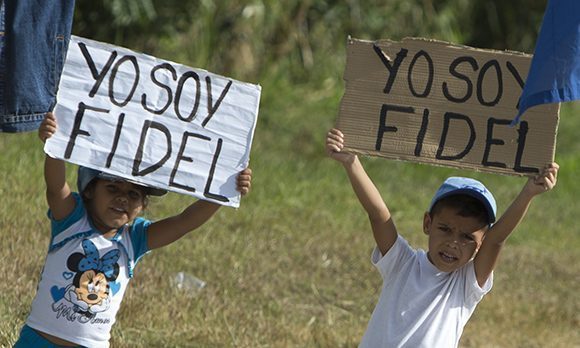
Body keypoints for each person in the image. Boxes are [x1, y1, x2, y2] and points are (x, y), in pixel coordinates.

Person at [14, 112, 252, 347]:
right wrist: (53, 146)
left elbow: (184, 222)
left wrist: (223, 193)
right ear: (88, 190)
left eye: (133, 194)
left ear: (143, 205)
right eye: (112, 188)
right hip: (37, 340)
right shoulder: (71, 218)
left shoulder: (135, 238)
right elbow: (56, 188)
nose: (122, 199)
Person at [325, 128, 559, 348]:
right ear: (428, 223)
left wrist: (529, 192)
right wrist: (351, 162)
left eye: (467, 236)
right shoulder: (402, 263)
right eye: (445, 229)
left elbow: (496, 239)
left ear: (480, 244)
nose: (453, 243)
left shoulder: (465, 284)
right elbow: (378, 215)